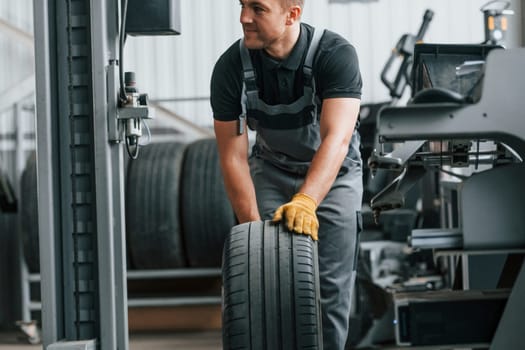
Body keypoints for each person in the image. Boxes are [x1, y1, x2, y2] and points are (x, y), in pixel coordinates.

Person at [211, 0, 363, 348]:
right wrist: (253, 233)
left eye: (257, 8)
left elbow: (337, 140)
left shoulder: (335, 55)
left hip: (334, 177)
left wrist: (307, 201)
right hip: (271, 170)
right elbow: (232, 157)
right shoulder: (231, 67)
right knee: (261, 281)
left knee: (328, 290)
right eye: (242, 5)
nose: (243, 18)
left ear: (292, 14)